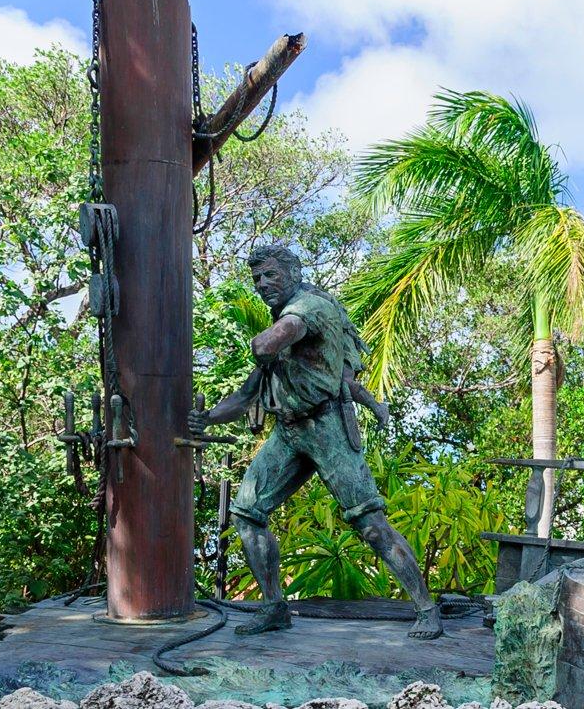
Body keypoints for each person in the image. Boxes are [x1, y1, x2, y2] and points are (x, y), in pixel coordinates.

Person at [189, 245, 442, 638]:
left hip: (327, 428)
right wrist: (206, 418)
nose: (261, 285)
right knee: (247, 513)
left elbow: (268, 344)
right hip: (288, 432)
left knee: (369, 524)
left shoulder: (309, 308)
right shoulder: (284, 316)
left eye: (269, 275)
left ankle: (426, 608)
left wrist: (266, 342)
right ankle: (274, 606)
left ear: (292, 272)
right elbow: (246, 395)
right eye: (256, 278)